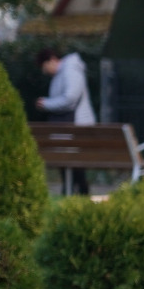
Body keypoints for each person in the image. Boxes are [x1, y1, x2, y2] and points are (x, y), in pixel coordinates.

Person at [35, 47, 96, 195]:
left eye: (45, 67)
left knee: (73, 161)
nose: (45, 72)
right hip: (70, 124)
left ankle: (77, 190)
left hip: (76, 124)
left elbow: (70, 98)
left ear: (52, 60)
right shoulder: (63, 73)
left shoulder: (70, 70)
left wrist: (47, 104)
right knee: (70, 161)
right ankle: (73, 190)